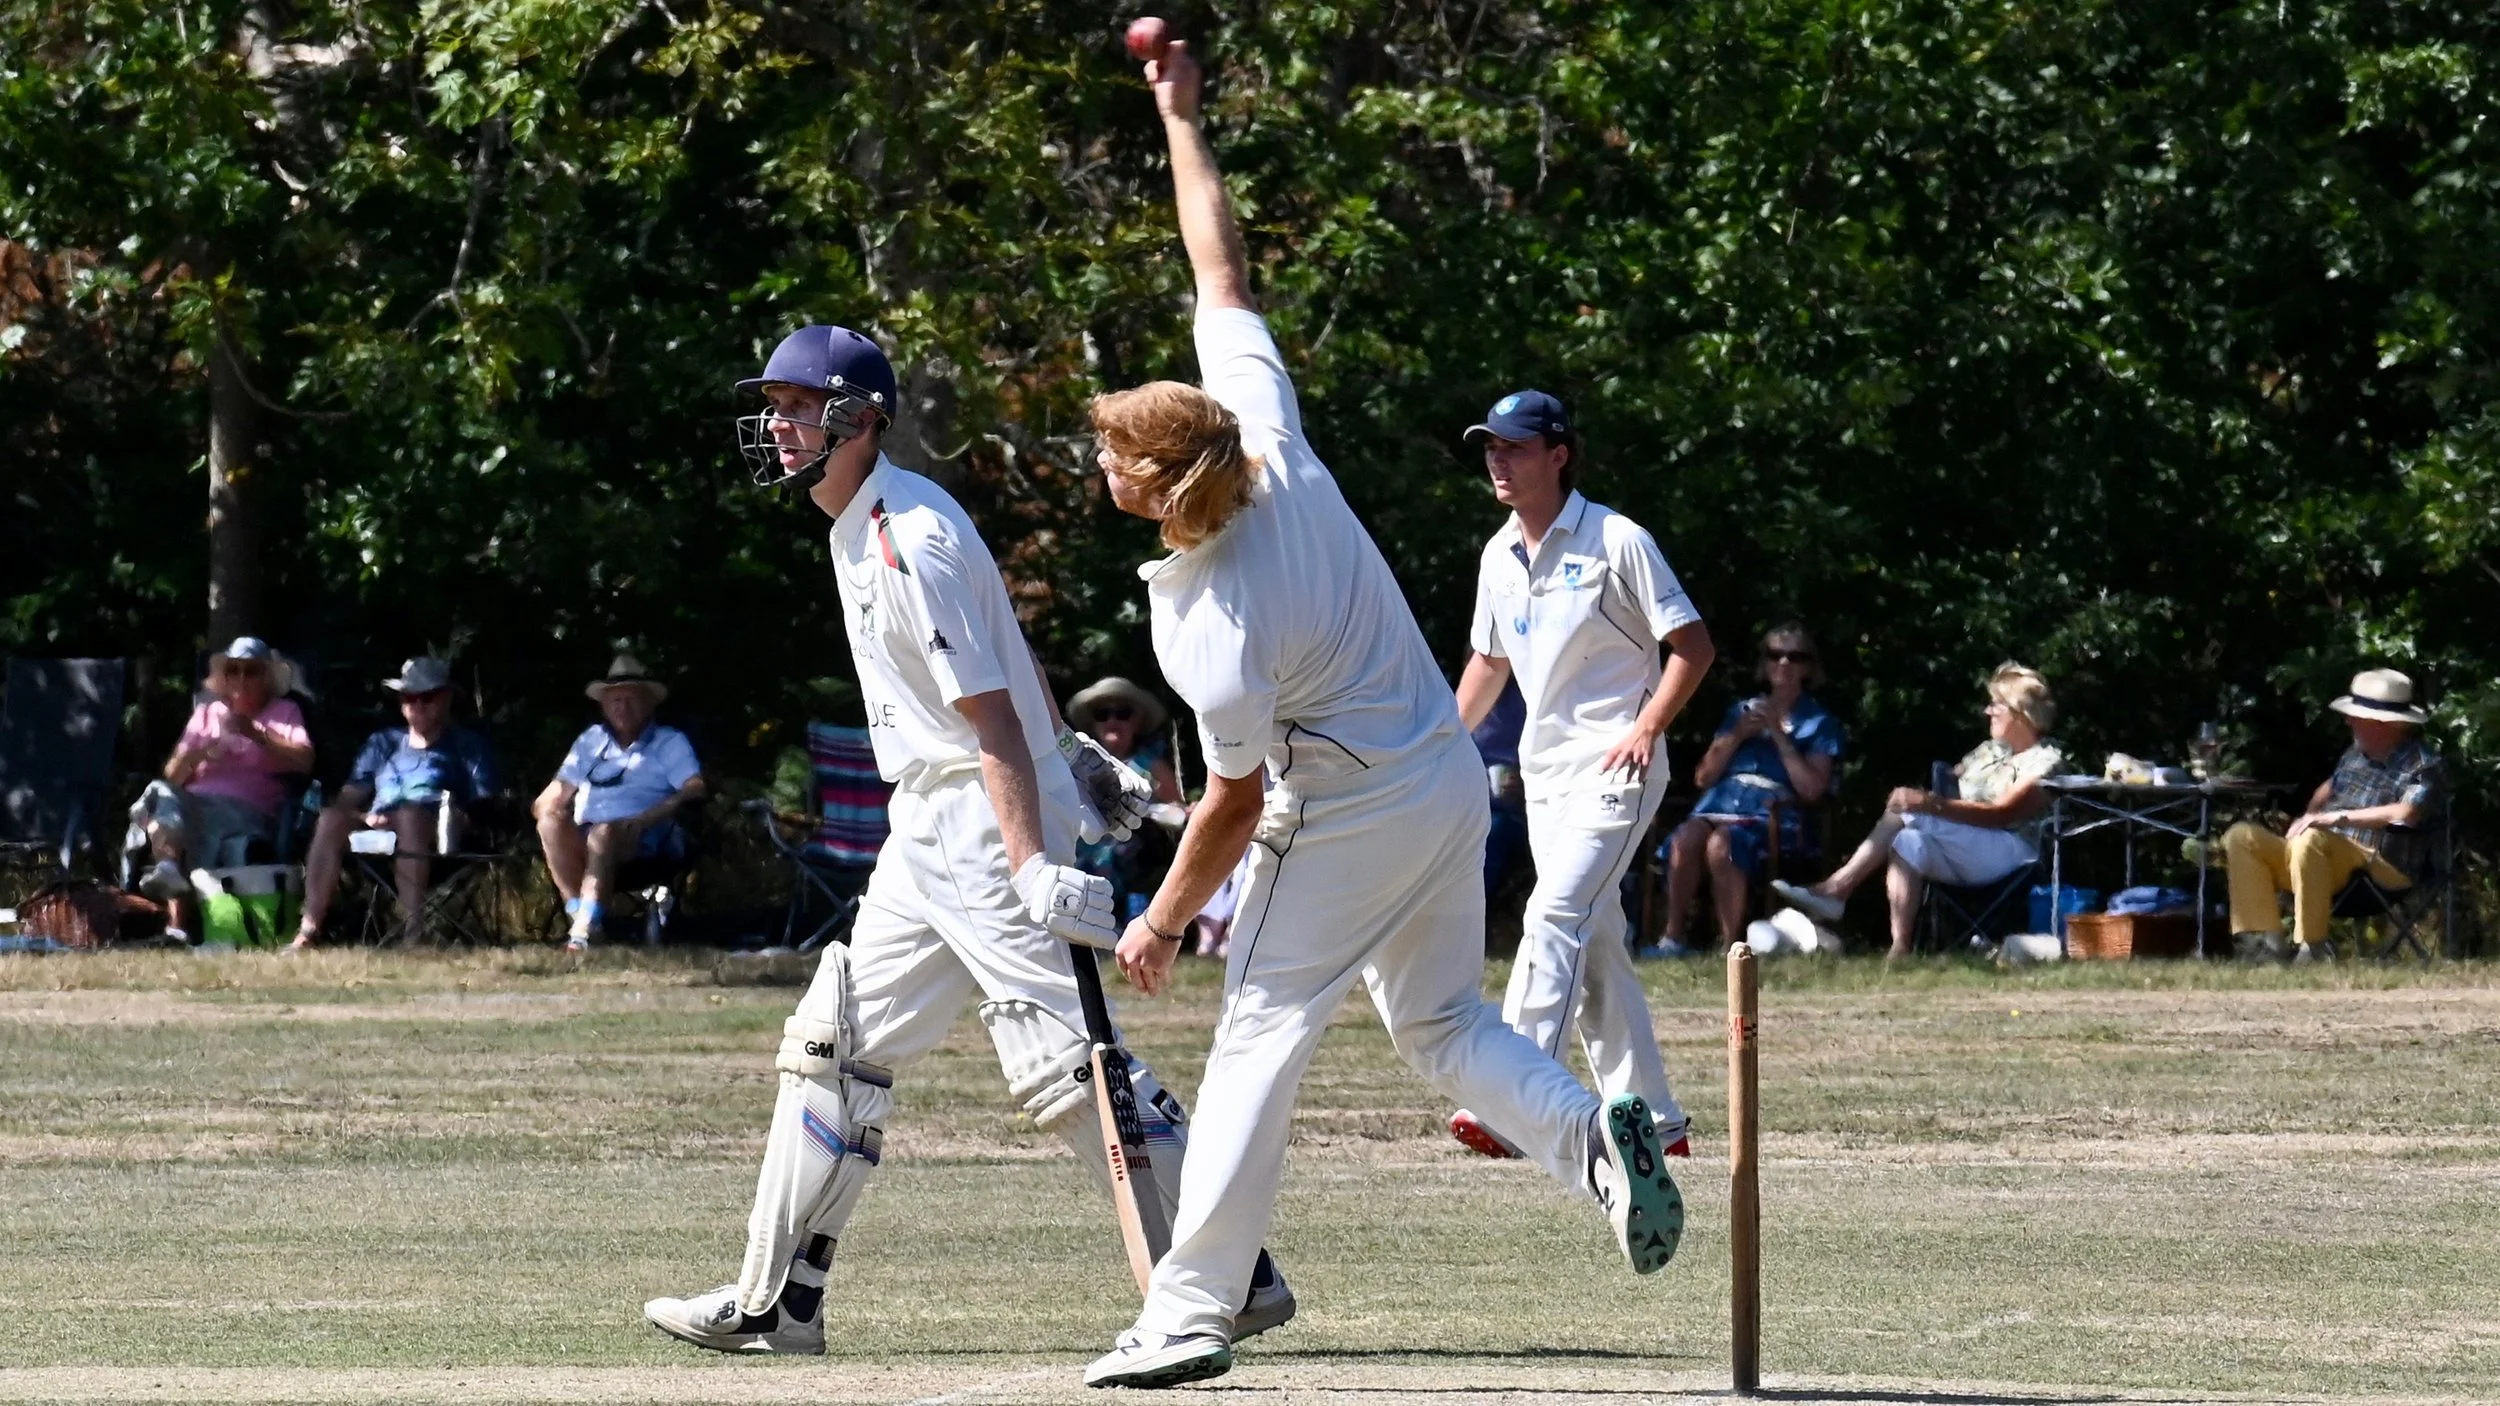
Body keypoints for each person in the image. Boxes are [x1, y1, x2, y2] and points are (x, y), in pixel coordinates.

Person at [1081, 35, 1683, 1390]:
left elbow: (1233, 799)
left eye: (1116, 447)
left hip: (1342, 812)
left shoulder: (1212, 624)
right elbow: (1217, 268)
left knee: (1257, 1029)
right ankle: (1596, 1138)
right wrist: (1182, 117)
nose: (1099, 455)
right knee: (1440, 1025)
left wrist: (1164, 918)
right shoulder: (1261, 427)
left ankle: (1188, 1308)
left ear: (1167, 483)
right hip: (1446, 785)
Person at [643, 319, 1291, 1356]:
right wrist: (1071, 743)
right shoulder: (858, 521)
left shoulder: (912, 532)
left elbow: (985, 717)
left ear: (859, 419)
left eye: (796, 407)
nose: (776, 426)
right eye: (773, 407)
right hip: (929, 820)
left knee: (1064, 1068)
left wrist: (1033, 855)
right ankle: (778, 1303)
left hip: (982, 824)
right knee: (834, 1045)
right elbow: (1002, 656)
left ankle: (1233, 1274)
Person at [1447, 388, 1714, 1164]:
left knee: (1554, 914)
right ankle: (1658, 1119)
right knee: (1596, 941)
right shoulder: (1499, 553)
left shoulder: (1616, 538)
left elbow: (1692, 647)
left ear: (1558, 455)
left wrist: (1647, 726)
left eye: (1515, 447)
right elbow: (1489, 664)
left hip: (1619, 766)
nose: (1498, 460)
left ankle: (1512, 1100)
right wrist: (1439, 747)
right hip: (1546, 773)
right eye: (1490, 447)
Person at [1771, 663, 2064, 957]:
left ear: (2020, 712)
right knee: (1907, 840)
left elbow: (2002, 813)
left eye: (1996, 704)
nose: (1988, 711)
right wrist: (1932, 797)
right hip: (1970, 846)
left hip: (2014, 851)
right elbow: (1949, 783)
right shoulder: (1989, 751)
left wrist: (1928, 804)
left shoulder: (2046, 761)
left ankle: (1838, 888)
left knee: (1909, 812)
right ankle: (1900, 946)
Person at [2220, 669, 2445, 963]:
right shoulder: (2354, 755)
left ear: (2383, 723)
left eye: (2355, 715)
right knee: (2241, 836)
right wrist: (2309, 816)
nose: (2347, 720)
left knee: (2312, 840)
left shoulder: (2423, 765)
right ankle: (2265, 945)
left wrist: (2334, 818)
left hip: (2381, 869)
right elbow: (2327, 790)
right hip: (2320, 857)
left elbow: (2408, 813)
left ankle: (2311, 948)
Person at [1656, 625, 1845, 953]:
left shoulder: (1820, 722)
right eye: (1775, 655)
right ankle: (1672, 939)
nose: (1784, 663)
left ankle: (1731, 946)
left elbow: (1813, 790)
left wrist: (1779, 736)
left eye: (1795, 656)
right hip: (1721, 803)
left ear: (1808, 667)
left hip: (1773, 817)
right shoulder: (1740, 712)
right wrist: (1737, 736)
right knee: (1686, 838)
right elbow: (1702, 778)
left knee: (1722, 844)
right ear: (1764, 664)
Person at [291, 657, 499, 949]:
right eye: (408, 697)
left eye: (426, 697)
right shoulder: (383, 742)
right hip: (377, 831)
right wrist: (363, 817)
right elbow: (348, 798)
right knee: (329, 818)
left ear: (447, 698)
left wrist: (451, 819)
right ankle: (309, 930)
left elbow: (484, 809)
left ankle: (413, 933)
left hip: (438, 836)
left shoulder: (466, 745)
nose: (417, 705)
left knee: (410, 815)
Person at [135, 637, 315, 938]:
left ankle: (177, 923)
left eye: (252, 671)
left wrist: (257, 734)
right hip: (193, 806)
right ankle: (168, 873)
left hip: (247, 811)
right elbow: (172, 775)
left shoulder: (284, 711)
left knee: (165, 820)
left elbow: (305, 761)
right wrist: (201, 753)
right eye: (234, 670)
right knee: (161, 794)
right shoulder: (206, 713)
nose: (242, 678)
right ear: (226, 676)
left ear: (267, 677)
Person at [532, 656, 706, 951]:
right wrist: (546, 808)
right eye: (615, 700)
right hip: (586, 834)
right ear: (603, 705)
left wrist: (651, 816)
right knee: (549, 822)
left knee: (603, 834)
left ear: (650, 703)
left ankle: (581, 934)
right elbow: (552, 795)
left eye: (631, 699)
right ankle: (585, 919)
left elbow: (695, 787)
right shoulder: (591, 741)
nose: (622, 707)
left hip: (646, 836)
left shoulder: (668, 741)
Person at [1067, 676, 1188, 921]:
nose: (1112, 721)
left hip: (1135, 853)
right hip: (1081, 851)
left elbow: (1177, 809)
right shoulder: (1076, 763)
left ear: (1137, 722)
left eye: (1122, 713)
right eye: (1103, 714)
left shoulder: (1151, 766)